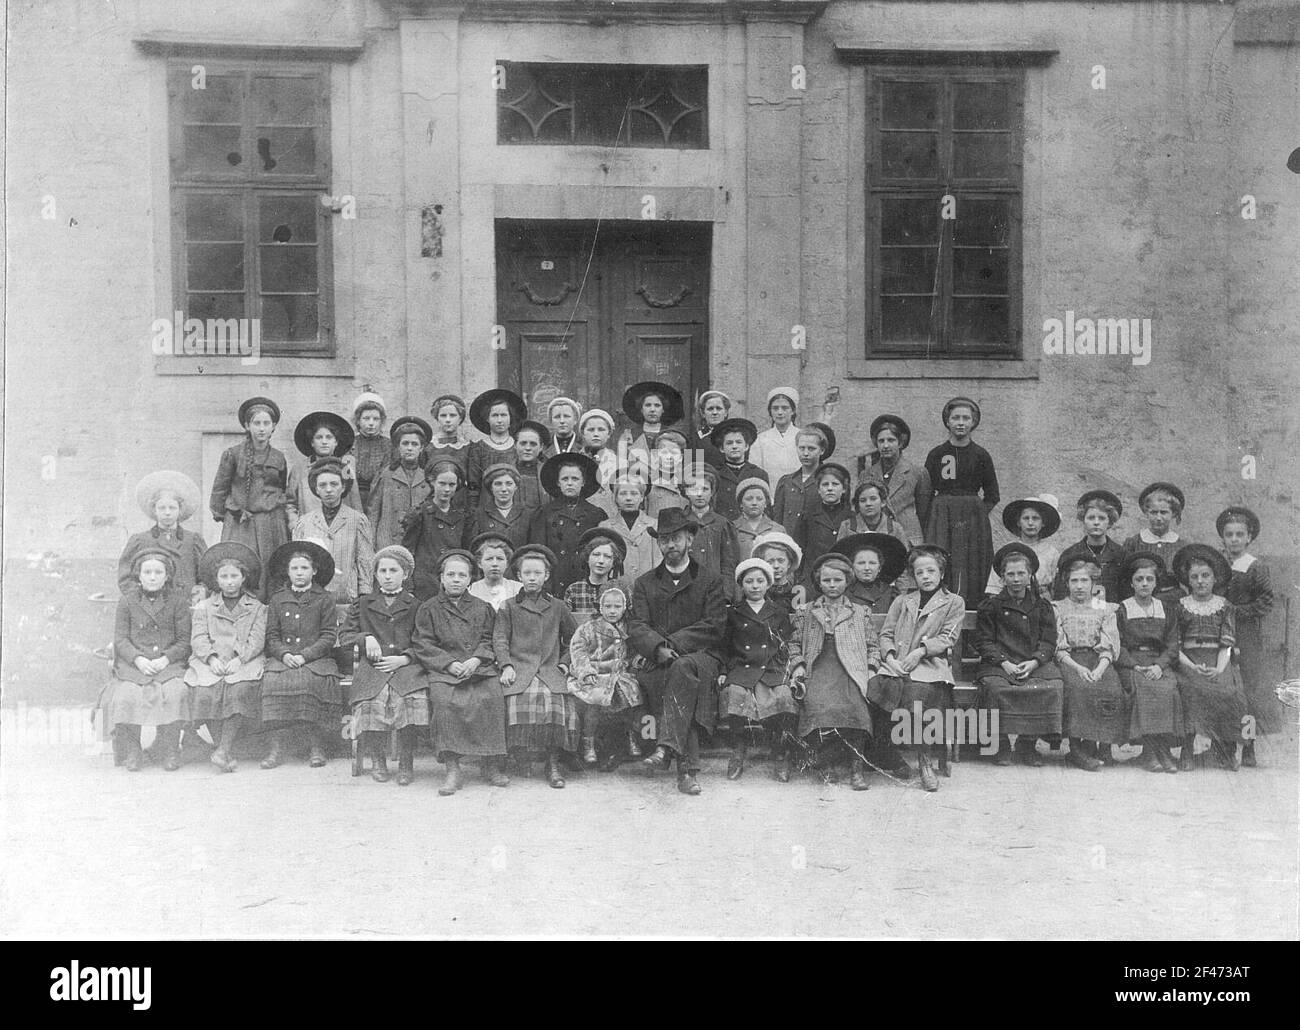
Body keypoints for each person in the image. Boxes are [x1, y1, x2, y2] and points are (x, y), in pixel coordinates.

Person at [630, 508, 727, 795]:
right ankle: (687, 773)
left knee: (683, 670)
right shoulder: (645, 583)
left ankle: (665, 747)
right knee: (681, 683)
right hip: (658, 660)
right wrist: (657, 648)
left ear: (689, 538)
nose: (669, 545)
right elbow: (637, 625)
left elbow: (714, 626)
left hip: (703, 657)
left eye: (675, 538)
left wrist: (670, 643)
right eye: (663, 540)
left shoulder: (710, 580)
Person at [412, 549, 508, 795]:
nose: (456, 579)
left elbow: (491, 639)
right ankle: (453, 768)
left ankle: (490, 764)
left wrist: (476, 660)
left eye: (462, 575)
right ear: (441, 578)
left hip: (479, 668)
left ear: (469, 579)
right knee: (444, 702)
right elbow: (423, 643)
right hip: (445, 670)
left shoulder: (483, 607)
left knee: (491, 698)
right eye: (451, 574)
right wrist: (448, 663)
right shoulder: (428, 608)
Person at [871, 544, 965, 791]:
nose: (926, 577)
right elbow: (886, 634)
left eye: (931, 571)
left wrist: (921, 650)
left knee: (917, 698)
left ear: (941, 573)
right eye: (920, 572)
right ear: (913, 576)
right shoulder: (902, 601)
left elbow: (948, 637)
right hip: (897, 665)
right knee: (872, 691)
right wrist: (890, 658)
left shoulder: (953, 602)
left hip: (930, 667)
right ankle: (890, 757)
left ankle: (925, 762)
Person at [787, 553, 881, 791]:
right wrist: (798, 664)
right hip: (818, 665)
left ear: (847, 581)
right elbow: (795, 643)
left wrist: (870, 669)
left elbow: (873, 646)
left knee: (856, 707)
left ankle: (856, 768)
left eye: (837, 580)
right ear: (819, 582)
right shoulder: (806, 610)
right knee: (818, 705)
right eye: (826, 580)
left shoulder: (860, 612)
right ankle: (824, 763)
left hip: (851, 667)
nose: (832, 585)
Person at [340, 545, 428, 786]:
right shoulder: (363, 603)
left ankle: (406, 762)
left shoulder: (416, 605)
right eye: (382, 571)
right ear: (376, 574)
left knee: (409, 700)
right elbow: (345, 635)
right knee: (371, 701)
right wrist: (364, 637)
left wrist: (406, 657)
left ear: (405, 574)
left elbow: (425, 640)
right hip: (374, 667)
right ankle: (378, 759)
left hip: (406, 668)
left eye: (394, 570)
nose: (388, 576)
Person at [494, 544, 580, 789]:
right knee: (518, 699)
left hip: (549, 668)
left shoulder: (558, 606)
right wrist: (506, 666)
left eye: (537, 573)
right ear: (518, 576)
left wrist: (564, 664)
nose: (532, 578)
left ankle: (553, 762)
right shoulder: (508, 606)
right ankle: (520, 755)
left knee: (553, 701)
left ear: (546, 576)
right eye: (527, 573)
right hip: (519, 668)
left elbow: (575, 640)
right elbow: (499, 639)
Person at [102, 549, 193, 772]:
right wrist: (138, 659)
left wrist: (166, 659)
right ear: (139, 576)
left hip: (167, 664)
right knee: (126, 695)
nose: (152, 577)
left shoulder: (178, 602)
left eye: (158, 572)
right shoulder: (127, 602)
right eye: (147, 572)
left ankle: (170, 749)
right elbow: (120, 639)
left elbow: (184, 641)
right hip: (134, 665)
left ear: (167, 575)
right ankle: (133, 751)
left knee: (175, 692)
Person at [975, 543, 1063, 767]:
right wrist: (1003, 663)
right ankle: (1001, 743)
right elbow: (984, 641)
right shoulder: (991, 606)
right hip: (999, 663)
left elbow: (1049, 640)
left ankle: (1027, 743)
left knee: (1051, 685)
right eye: (1010, 574)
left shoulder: (1042, 606)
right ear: (1002, 577)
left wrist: (1034, 662)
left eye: (1021, 573)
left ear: (1030, 575)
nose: (1016, 579)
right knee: (995, 688)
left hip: (1033, 661)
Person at [259, 540, 341, 769]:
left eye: (304, 568)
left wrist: (305, 656)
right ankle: (276, 748)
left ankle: (317, 746)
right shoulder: (277, 598)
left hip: (316, 659)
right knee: (272, 682)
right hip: (283, 658)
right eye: (294, 568)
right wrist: (283, 654)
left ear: (314, 571)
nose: (299, 573)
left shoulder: (324, 598)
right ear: (287, 571)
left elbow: (328, 635)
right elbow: (271, 636)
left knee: (311, 681)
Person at [185, 542, 266, 773]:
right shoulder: (204, 607)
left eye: (234, 576)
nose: (229, 581)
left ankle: (223, 748)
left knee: (239, 689)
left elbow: (257, 640)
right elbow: (198, 638)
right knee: (205, 690)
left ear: (243, 578)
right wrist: (211, 659)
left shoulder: (258, 607)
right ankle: (223, 749)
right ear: (216, 579)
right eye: (224, 576)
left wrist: (239, 659)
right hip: (210, 660)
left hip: (244, 660)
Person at [718, 558, 799, 782]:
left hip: (771, 667)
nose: (755, 586)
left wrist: (787, 671)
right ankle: (738, 748)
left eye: (760, 581)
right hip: (742, 666)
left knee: (783, 696)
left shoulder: (778, 611)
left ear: (768, 584)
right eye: (749, 581)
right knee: (734, 693)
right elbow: (724, 646)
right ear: (741, 585)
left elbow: (786, 643)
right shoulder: (733, 612)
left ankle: (780, 752)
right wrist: (724, 670)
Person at [1173, 544, 1248, 772]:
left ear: (1215, 578)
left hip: (1218, 660)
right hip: (1188, 660)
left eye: (1206, 576)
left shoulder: (1225, 607)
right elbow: (1174, 645)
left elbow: (1227, 644)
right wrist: (1192, 666)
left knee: (1229, 691)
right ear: (1188, 580)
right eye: (1194, 577)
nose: (1200, 581)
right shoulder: (1180, 607)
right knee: (1189, 690)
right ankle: (1187, 750)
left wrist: (1219, 668)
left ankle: (1226, 750)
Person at [924, 397, 999, 605]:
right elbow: (926, 492)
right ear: (947, 421)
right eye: (955, 417)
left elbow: (993, 494)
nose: (960, 422)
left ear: (973, 422)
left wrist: (977, 514)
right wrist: (935, 517)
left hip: (972, 518)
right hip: (943, 514)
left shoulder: (981, 455)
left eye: (966, 418)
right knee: (941, 559)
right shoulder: (937, 454)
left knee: (972, 562)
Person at [209, 397, 291, 582]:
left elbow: (281, 488)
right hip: (241, 523)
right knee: (241, 568)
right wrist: (231, 516)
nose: (261, 428)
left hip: (271, 523)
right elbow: (219, 491)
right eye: (256, 423)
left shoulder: (279, 457)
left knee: (271, 570)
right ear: (247, 426)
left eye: (266, 423)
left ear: (273, 426)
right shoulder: (232, 454)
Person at [1053, 559, 1125, 771]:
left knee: (1111, 687)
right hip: (1070, 660)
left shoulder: (1104, 608)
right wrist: (1077, 667)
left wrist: (1101, 668)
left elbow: (1110, 641)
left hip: (1098, 659)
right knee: (1077, 689)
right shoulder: (1058, 608)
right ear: (1067, 583)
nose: (1079, 586)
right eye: (1074, 581)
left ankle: (1103, 745)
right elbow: (1058, 644)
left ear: (1093, 583)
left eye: (1084, 580)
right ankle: (1076, 750)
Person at [1218, 505, 1275, 766]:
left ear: (1249, 537)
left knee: (1249, 690)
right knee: (1225, 687)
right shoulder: (1217, 564)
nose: (1234, 540)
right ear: (1223, 538)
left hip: (1247, 634)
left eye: (1240, 535)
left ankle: (1249, 747)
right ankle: (1226, 745)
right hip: (1220, 632)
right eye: (1229, 535)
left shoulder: (1254, 566)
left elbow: (1265, 602)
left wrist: (1236, 611)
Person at [1115, 553, 1182, 773]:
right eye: (1139, 579)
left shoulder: (1166, 609)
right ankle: (1150, 752)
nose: (1144, 584)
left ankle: (1162, 750)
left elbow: (1173, 645)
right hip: (1133, 663)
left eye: (1149, 579)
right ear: (1131, 582)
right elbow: (1118, 644)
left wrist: (1159, 665)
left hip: (1158, 662)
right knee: (1143, 688)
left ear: (1156, 582)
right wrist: (1135, 665)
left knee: (1168, 688)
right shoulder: (1122, 609)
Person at [568, 584, 646, 772]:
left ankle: (631, 736)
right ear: (600, 607)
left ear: (625, 607)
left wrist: (637, 661)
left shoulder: (628, 628)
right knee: (594, 703)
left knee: (633, 698)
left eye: (617, 607)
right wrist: (586, 671)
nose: (612, 611)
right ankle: (589, 742)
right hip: (595, 674)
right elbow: (578, 650)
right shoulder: (589, 628)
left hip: (620, 675)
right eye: (608, 606)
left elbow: (635, 650)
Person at [292, 458, 375, 609]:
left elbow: (365, 561)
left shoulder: (357, 520)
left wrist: (364, 597)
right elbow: (299, 562)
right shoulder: (304, 523)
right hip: (313, 601)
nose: (328, 490)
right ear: (316, 489)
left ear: (343, 487)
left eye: (334, 484)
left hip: (347, 599)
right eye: (322, 485)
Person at [119, 470, 207, 604]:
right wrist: (141, 599)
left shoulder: (193, 540)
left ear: (180, 510)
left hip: (186, 605)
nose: (167, 513)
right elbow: (125, 578)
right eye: (162, 508)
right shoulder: (140, 540)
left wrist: (202, 589)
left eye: (172, 508)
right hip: (153, 606)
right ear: (154, 510)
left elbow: (207, 574)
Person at [527, 452, 605, 595]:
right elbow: (538, 554)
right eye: (565, 479)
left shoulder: (596, 515)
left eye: (575, 479)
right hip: (553, 583)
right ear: (558, 482)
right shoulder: (544, 513)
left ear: (583, 482)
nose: (570, 483)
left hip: (584, 583)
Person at [402, 459, 470, 599]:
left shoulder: (462, 515)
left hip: (452, 581)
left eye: (452, 485)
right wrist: (408, 585)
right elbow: (407, 551)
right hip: (425, 582)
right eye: (442, 483)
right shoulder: (419, 513)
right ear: (432, 482)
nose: (447, 489)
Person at [861, 414, 930, 546]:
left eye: (891, 440)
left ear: (901, 443)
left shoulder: (917, 472)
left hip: (908, 536)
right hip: (878, 535)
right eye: (881, 441)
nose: (885, 445)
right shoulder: (867, 474)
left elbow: (924, 512)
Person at [366, 415, 432, 551]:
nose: (409, 448)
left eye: (414, 444)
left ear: (421, 448)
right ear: (397, 447)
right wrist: (371, 545)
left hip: (420, 544)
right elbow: (373, 512)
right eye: (405, 443)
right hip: (389, 540)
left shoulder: (429, 476)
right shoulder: (386, 474)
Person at [286, 410, 363, 521]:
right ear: (312, 442)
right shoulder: (300, 469)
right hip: (310, 527)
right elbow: (290, 502)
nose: (324, 442)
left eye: (329, 437)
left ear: (336, 442)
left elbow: (355, 504)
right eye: (319, 437)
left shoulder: (345, 469)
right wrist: (294, 521)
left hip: (340, 527)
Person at [1120, 482, 1188, 604]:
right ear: (1146, 513)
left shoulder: (1181, 546)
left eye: (1164, 512)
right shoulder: (1134, 543)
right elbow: (1124, 578)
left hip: (1174, 601)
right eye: (1154, 512)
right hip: (1140, 601)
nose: (1158, 517)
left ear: (1173, 514)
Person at [1052, 490, 1125, 602]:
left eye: (1101, 518)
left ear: (1110, 523)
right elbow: (1060, 593)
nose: (1096, 522)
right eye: (1091, 518)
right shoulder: (1070, 554)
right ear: (1083, 520)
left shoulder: (1120, 554)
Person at [986, 495, 1062, 598]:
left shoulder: (1052, 553)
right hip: (1012, 601)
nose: (1030, 523)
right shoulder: (1008, 550)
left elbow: (1056, 587)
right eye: (1026, 518)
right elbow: (994, 588)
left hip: (1042, 600)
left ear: (1043, 523)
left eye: (1035, 518)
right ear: (1018, 522)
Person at [466, 388, 526, 511]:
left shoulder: (518, 446)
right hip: (486, 506)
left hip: (516, 505)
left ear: (511, 418)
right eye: (494, 415)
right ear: (487, 419)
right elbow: (473, 485)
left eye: (503, 415)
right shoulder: (478, 449)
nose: (499, 420)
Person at [682, 465, 740, 591]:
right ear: (686, 492)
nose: (699, 494)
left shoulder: (722, 524)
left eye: (704, 489)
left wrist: (726, 595)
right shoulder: (681, 522)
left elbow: (728, 565)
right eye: (693, 489)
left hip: (714, 591)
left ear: (712, 492)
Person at [796, 461, 852, 585]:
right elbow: (800, 548)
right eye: (825, 484)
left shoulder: (851, 517)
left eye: (835, 484)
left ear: (844, 489)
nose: (830, 488)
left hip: (842, 579)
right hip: (813, 578)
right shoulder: (807, 516)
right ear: (819, 490)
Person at [771, 424, 833, 537]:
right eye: (801, 448)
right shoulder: (786, 482)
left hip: (817, 542)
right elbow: (777, 520)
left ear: (822, 450)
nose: (805, 453)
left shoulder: (830, 481)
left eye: (811, 448)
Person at [600, 474, 661, 582]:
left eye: (634, 493)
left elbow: (658, 561)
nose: (629, 498)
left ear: (642, 497)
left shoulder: (654, 525)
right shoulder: (606, 526)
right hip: (617, 589)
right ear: (616, 498)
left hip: (648, 587)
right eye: (623, 493)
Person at [831, 532, 907, 615]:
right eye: (861, 563)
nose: (867, 568)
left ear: (879, 568)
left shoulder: (891, 593)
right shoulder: (844, 593)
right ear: (852, 567)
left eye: (872, 563)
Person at [711, 417, 768, 520]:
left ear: (746, 446)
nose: (734, 446)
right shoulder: (714, 474)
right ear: (722, 448)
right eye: (729, 443)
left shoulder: (759, 474)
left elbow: (766, 508)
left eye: (738, 442)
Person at [423, 394, 471, 508]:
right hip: (433, 500)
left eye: (453, 415)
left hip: (460, 501)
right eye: (443, 416)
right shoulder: (429, 447)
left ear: (460, 418)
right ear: (437, 418)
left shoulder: (467, 447)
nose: (448, 420)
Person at [469, 463, 531, 550]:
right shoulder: (479, 515)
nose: (504, 489)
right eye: (498, 484)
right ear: (491, 487)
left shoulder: (527, 514)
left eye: (509, 484)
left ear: (516, 487)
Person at [621, 381, 686, 463]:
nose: (652, 410)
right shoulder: (629, 436)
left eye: (657, 405)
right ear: (641, 409)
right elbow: (621, 464)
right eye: (648, 405)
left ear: (663, 410)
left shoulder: (672, 435)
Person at [350, 391, 393, 511]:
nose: (371, 423)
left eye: (376, 419)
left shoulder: (389, 445)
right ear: (357, 420)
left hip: (381, 498)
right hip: (353, 498)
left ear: (381, 421)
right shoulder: (349, 444)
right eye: (366, 418)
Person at [749, 386, 801, 483]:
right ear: (770, 411)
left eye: (785, 408)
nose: (780, 412)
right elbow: (755, 473)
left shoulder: (803, 437)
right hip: (770, 494)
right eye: (775, 408)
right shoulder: (760, 440)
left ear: (793, 411)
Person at [576, 408, 620, 517]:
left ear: (609, 434)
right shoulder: (574, 461)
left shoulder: (619, 463)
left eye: (601, 430)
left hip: (610, 518)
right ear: (583, 433)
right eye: (591, 430)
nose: (596, 434)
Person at [751, 531, 807, 617]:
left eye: (781, 561)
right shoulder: (758, 591)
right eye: (770, 561)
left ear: (789, 563)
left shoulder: (797, 592)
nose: (776, 566)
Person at [467, 531, 522, 610]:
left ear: (507, 563)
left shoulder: (517, 589)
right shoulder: (471, 591)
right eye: (489, 559)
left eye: (500, 559)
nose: (495, 564)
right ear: (479, 563)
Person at [643, 430, 690, 518]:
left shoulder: (688, 482)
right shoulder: (648, 482)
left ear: (681, 457)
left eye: (674, 453)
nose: (669, 457)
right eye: (664, 452)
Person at [733, 478, 780, 558]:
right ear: (741, 503)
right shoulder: (731, 528)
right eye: (749, 499)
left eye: (759, 499)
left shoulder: (777, 529)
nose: (754, 503)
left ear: (766, 503)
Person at [514, 419, 550, 513]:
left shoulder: (548, 472)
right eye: (523, 443)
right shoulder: (505, 471)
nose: (528, 448)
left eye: (533, 444)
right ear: (515, 445)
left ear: (541, 447)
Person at [691, 389, 731, 470]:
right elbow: (690, 469)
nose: (715, 412)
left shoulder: (733, 438)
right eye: (710, 409)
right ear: (703, 413)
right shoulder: (695, 439)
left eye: (719, 408)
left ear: (726, 412)